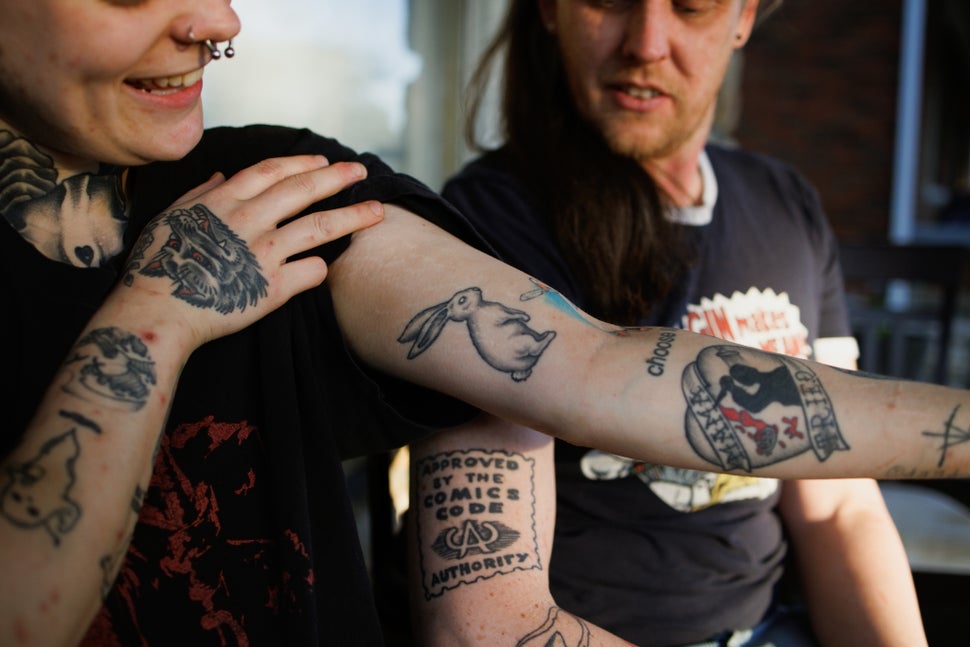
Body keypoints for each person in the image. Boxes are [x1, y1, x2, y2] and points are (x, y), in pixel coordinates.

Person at [1, 2, 968, 646]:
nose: (219, 20)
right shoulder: (500, 210)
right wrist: (152, 321)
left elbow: (601, 372)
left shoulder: (282, 187)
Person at [407, 1, 928, 645]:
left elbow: (838, 510)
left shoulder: (785, 203)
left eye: (692, 6)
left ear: (743, 17)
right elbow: (482, 628)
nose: (647, 43)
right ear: (549, 8)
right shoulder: (484, 227)